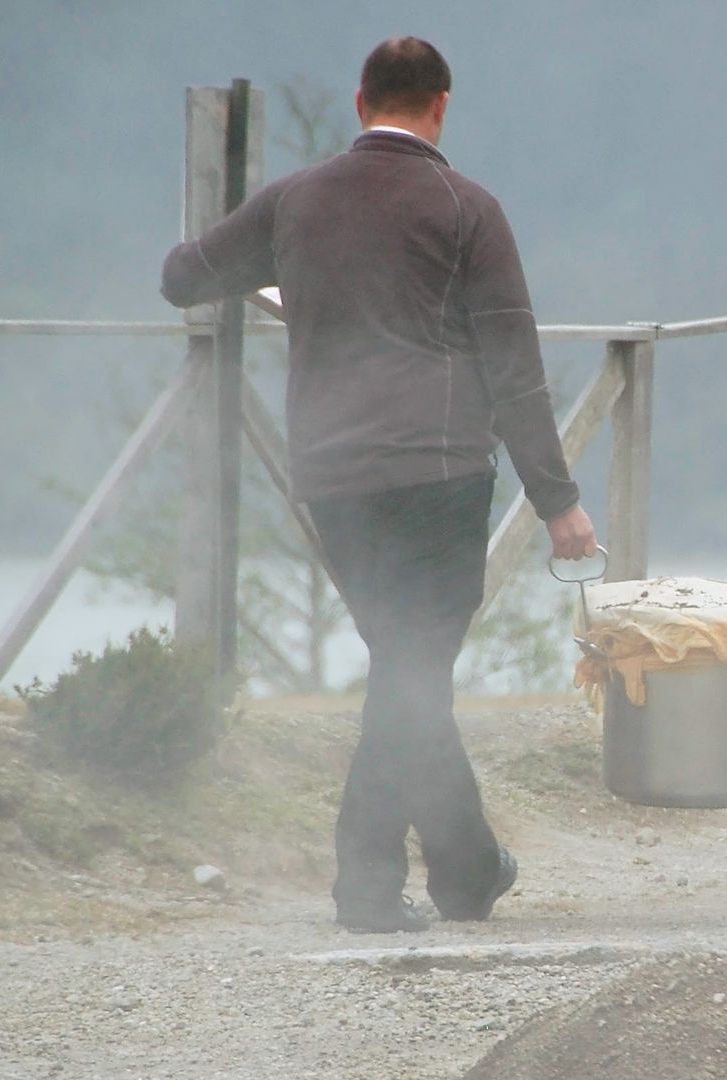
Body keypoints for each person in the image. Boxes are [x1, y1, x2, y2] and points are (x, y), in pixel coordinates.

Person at [160, 37, 596, 933]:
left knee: (410, 671)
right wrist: (558, 502)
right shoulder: (467, 207)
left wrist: (284, 283)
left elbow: (183, 278)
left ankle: (470, 871)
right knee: (411, 673)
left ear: (362, 104)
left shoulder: (295, 201)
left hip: (330, 479)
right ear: (440, 106)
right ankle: (365, 887)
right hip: (437, 475)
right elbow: (514, 370)